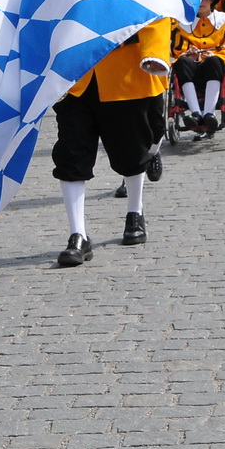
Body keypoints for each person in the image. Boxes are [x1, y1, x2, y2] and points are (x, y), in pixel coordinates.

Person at [50, 18, 169, 267]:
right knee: (71, 153)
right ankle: (78, 235)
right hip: (75, 74)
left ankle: (134, 212)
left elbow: (154, 2)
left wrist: (154, 53)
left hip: (125, 71)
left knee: (131, 152)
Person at [173, 0, 225, 135]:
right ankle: (195, 114)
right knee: (182, 62)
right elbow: (176, 50)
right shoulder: (181, 24)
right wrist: (189, 54)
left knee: (214, 61)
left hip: (216, 68)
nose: (201, 2)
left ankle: (209, 114)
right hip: (192, 69)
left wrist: (214, 54)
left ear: (212, 0)